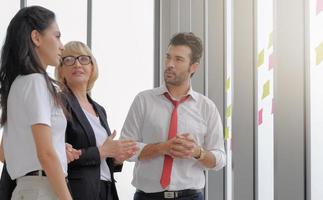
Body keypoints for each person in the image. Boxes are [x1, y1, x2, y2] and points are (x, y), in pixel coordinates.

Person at [120, 32, 226, 200]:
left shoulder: (207, 107)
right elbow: (124, 149)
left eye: (178, 59)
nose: (170, 64)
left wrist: (198, 152)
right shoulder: (143, 100)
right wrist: (162, 147)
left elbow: (219, 159)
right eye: (168, 57)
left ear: (193, 67)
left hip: (190, 196)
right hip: (147, 197)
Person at [0, 6, 73, 200]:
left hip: (26, 189)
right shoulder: (36, 82)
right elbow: (46, 154)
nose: (62, 45)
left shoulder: (18, 83)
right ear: (36, 37)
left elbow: (3, 152)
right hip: (44, 189)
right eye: (57, 36)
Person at [55, 41, 138, 200]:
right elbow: (58, 155)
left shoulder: (100, 109)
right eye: (69, 60)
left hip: (106, 190)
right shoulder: (59, 103)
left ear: (92, 67)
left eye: (84, 59)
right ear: (61, 70)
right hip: (78, 191)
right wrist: (103, 151)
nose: (77, 64)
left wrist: (116, 158)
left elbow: (102, 161)